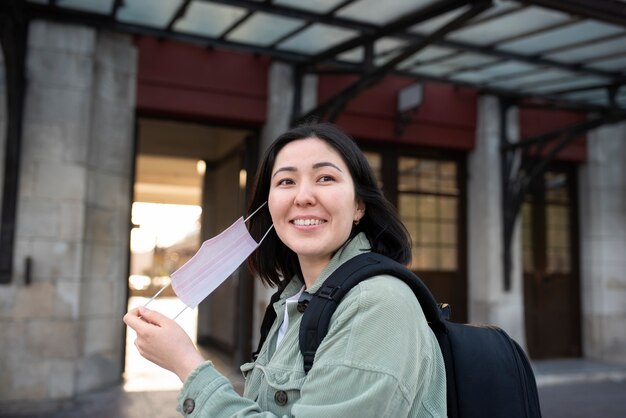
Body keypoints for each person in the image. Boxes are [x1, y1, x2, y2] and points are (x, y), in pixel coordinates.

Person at [124, 123, 446, 417]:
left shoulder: (375, 303)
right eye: (286, 181)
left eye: (325, 178)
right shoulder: (294, 301)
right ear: (269, 204)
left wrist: (186, 364)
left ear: (359, 205)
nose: (303, 197)